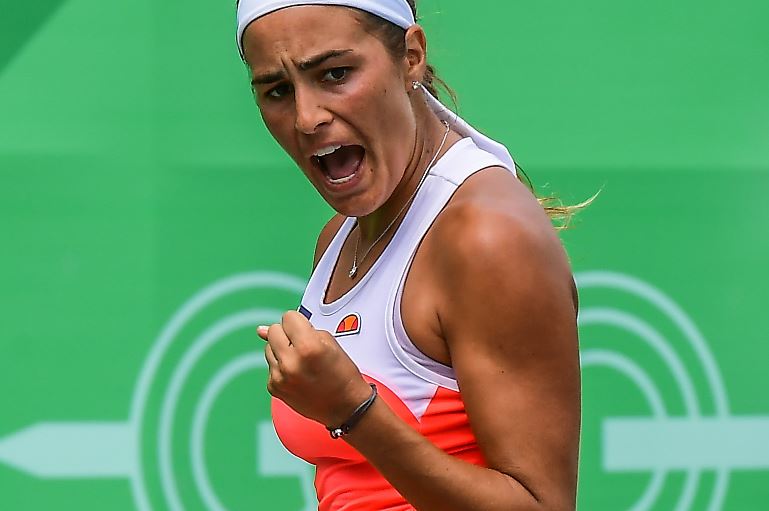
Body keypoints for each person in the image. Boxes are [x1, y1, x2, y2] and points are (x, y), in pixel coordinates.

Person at [237, 1, 581, 509]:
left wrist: (353, 411)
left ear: (411, 56)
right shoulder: (338, 238)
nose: (306, 118)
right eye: (277, 91)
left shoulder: (485, 234)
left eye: (334, 74)